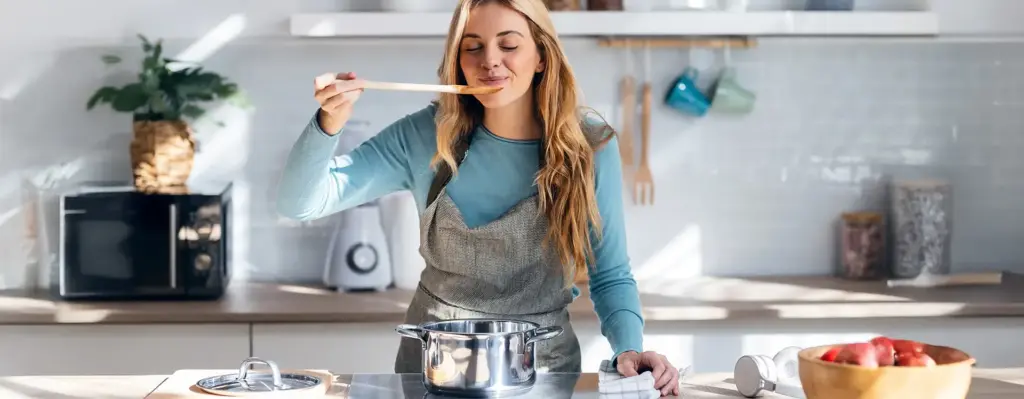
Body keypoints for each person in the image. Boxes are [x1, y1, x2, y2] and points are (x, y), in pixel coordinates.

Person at [275, 0, 679, 395]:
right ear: (458, 60)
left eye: (509, 45)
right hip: (433, 371)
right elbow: (300, 202)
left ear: (542, 56)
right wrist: (329, 123)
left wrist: (629, 349)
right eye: (472, 47)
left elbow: (610, 274)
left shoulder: (587, 144)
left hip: (540, 373)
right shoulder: (424, 136)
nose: (490, 61)